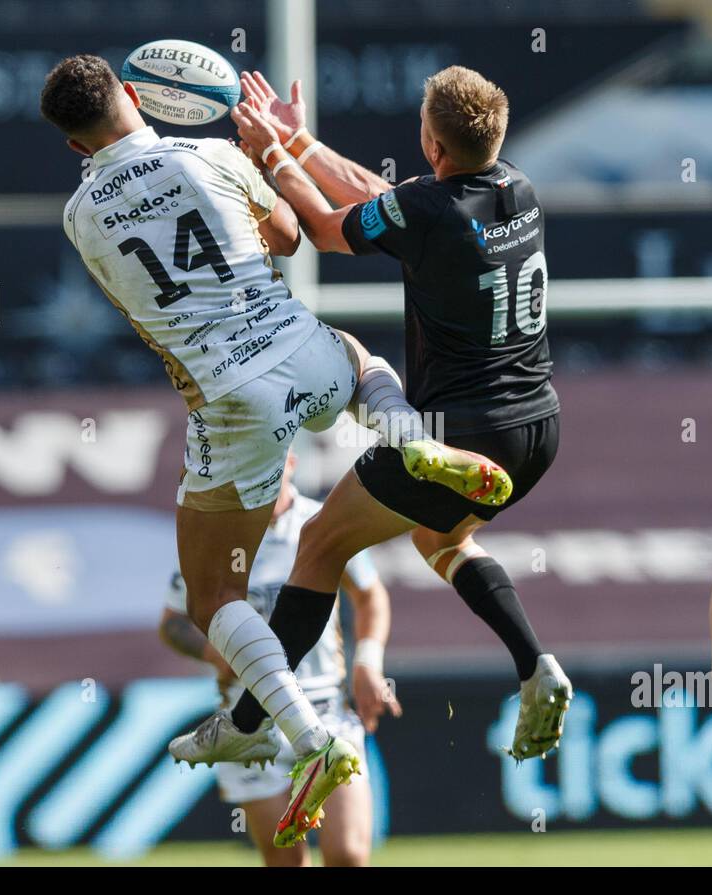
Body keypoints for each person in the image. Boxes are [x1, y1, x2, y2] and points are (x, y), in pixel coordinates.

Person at [40, 55, 502, 846]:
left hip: (228, 396)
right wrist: (262, 160)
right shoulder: (212, 153)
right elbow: (290, 237)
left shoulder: (79, 214)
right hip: (298, 344)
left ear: (77, 148)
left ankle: (300, 732)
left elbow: (138, 304)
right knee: (364, 363)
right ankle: (406, 435)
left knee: (211, 599)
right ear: (131, 94)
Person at [205, 65, 570, 773]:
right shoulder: (515, 187)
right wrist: (302, 141)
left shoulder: (428, 209)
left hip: (459, 432)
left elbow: (326, 230)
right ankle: (535, 663)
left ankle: (251, 720)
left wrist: (271, 154)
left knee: (318, 545)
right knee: (442, 538)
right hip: (536, 429)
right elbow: (390, 198)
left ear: (431, 145)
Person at [160, 450, 395, 865]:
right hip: (247, 719)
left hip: (325, 706)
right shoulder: (214, 536)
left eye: (273, 459)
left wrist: (368, 662)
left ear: (292, 463)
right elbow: (173, 622)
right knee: (285, 859)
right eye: (254, 462)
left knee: (349, 854)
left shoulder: (324, 522)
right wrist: (211, 652)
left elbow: (370, 594)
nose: (263, 470)